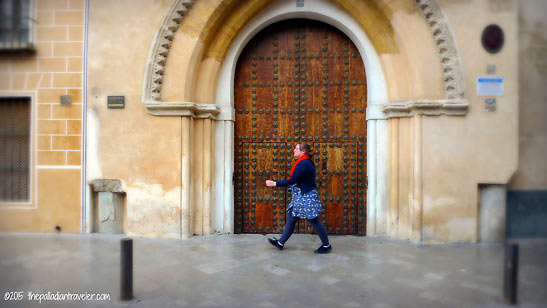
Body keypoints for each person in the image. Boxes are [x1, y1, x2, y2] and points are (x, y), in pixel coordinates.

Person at [265, 142, 332, 254]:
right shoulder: (303, 162)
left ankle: (326, 245)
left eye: (296, 149)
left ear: (303, 151)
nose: (294, 150)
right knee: (292, 217)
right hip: (301, 196)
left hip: (306, 197)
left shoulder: (304, 163)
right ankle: (280, 243)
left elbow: (292, 180)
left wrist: (274, 184)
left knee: (313, 220)